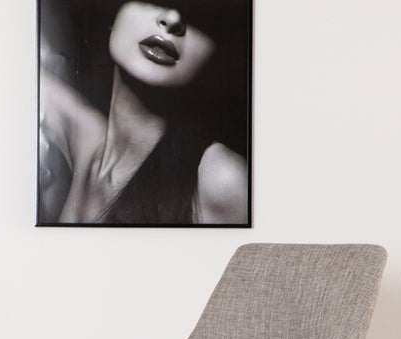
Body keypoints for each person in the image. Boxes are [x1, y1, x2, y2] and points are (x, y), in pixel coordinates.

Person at [38, 0, 251, 225]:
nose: (173, 19)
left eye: (200, 14)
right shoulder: (85, 137)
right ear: (112, 14)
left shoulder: (221, 177)